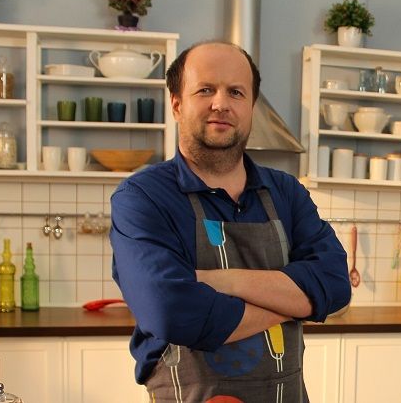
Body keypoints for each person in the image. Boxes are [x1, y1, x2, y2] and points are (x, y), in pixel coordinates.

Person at [110, 40, 350, 403]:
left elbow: (334, 285)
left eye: (236, 92)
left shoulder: (285, 192)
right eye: (205, 89)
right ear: (177, 104)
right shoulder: (144, 197)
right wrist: (294, 304)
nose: (221, 103)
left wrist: (220, 280)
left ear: (251, 107)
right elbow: (172, 312)